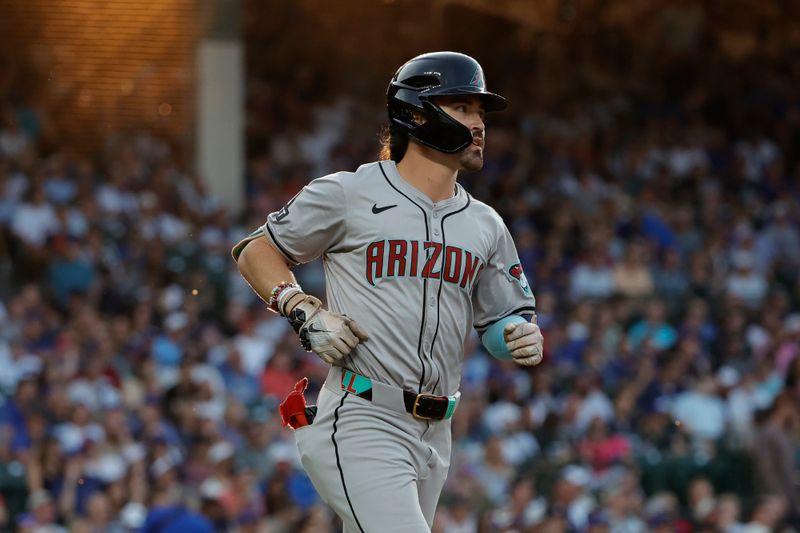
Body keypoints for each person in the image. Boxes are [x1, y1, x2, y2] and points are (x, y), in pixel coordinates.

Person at [232, 51, 544, 532]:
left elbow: (500, 321)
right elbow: (257, 250)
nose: (478, 123)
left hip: (437, 431)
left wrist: (519, 334)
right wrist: (300, 309)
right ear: (416, 113)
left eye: (480, 111)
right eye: (462, 107)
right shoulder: (348, 193)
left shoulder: (485, 223)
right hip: (363, 418)